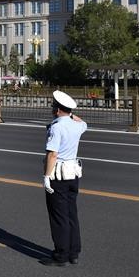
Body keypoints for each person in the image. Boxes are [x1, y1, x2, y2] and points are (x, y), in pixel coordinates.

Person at [41, 90, 87, 267]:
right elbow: (83, 123)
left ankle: (60, 255)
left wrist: (46, 176)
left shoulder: (57, 126)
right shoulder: (77, 125)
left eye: (54, 106)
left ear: (58, 109)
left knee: (58, 216)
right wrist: (71, 114)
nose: (52, 109)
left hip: (58, 174)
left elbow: (53, 154)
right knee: (71, 214)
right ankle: (74, 252)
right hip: (73, 173)